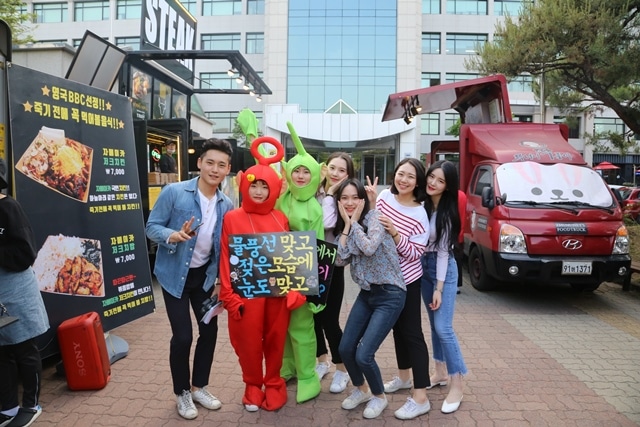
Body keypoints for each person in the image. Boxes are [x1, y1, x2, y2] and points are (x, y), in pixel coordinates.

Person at [145, 138, 234, 420]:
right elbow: (151, 227)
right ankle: (182, 392)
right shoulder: (174, 192)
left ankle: (199, 387)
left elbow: (223, 247)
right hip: (174, 277)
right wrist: (172, 235)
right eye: (210, 162)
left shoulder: (227, 204)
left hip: (205, 279)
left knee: (209, 332)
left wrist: (220, 281)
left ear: (228, 169)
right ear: (199, 163)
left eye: (221, 165)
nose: (214, 169)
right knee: (183, 337)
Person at [219, 136, 306, 412]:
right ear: (244, 185)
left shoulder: (281, 218)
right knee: (247, 342)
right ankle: (253, 385)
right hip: (245, 295)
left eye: (264, 186)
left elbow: (290, 257)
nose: (258, 191)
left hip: (277, 296)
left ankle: (274, 383)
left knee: (276, 339)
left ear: (275, 190)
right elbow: (225, 257)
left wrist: (297, 289)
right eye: (253, 185)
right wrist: (228, 295)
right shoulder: (232, 217)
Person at [334, 178, 405, 419]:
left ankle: (378, 396)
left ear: (363, 200)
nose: (350, 202)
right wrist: (347, 226)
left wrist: (353, 224)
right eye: (344, 198)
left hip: (390, 295)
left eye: (355, 197)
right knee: (345, 348)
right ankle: (361, 390)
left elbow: (370, 247)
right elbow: (339, 260)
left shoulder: (375, 218)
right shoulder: (348, 226)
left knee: (364, 354)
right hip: (367, 295)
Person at [368, 158, 432, 420]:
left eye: (409, 176)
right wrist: (372, 203)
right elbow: (373, 228)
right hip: (386, 278)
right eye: (400, 174)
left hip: (407, 280)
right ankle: (404, 377)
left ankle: (421, 397)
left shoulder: (420, 214)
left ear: (418, 182)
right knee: (397, 331)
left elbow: (415, 253)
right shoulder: (384, 196)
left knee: (412, 333)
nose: (402, 180)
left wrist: (395, 233)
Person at [0, 158, 50, 427]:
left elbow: (25, 253)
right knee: (2, 351)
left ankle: (31, 404)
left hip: (16, 293)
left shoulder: (9, 208)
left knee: (23, 349)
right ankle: (7, 407)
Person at [276, 122, 323, 403]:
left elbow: (315, 249)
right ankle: (287, 367)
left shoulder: (314, 207)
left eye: (307, 171)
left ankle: (308, 375)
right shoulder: (282, 198)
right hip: (276, 272)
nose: (302, 176)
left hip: (302, 277)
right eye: (297, 170)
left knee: (302, 328)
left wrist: (307, 288)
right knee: (280, 326)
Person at [421, 160, 467, 414]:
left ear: (448, 186)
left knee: (443, 327)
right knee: (433, 325)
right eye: (431, 177)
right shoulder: (422, 205)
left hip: (443, 270)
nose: (433, 183)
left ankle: (457, 382)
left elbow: (441, 252)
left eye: (440, 181)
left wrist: (439, 287)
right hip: (423, 269)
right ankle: (439, 373)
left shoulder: (448, 213)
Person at [314, 152, 354, 393]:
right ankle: (322, 361)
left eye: (341, 170)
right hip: (309, 261)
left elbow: (327, 223)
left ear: (348, 175)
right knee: (312, 317)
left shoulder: (345, 198)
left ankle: (342, 370)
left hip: (332, 264)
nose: (335, 173)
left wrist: (329, 194)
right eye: (332, 167)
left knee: (330, 320)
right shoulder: (314, 192)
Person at [455, 190, 467, 293]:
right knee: (457, 258)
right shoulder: (462, 195)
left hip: (453, 233)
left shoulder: (454, 195)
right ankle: (457, 284)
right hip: (459, 232)